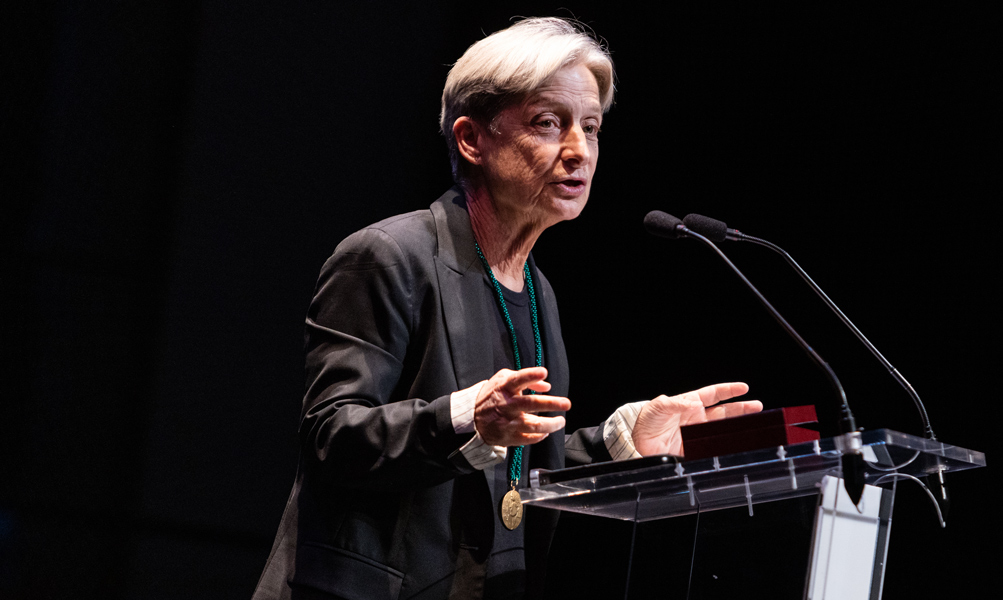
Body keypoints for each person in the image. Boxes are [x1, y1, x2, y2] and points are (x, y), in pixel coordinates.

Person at [252, 17, 761, 600]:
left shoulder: (537, 290)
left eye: (591, 128)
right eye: (549, 123)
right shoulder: (389, 257)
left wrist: (620, 442)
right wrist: (469, 415)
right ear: (473, 139)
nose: (578, 151)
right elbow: (332, 436)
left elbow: (508, 467)